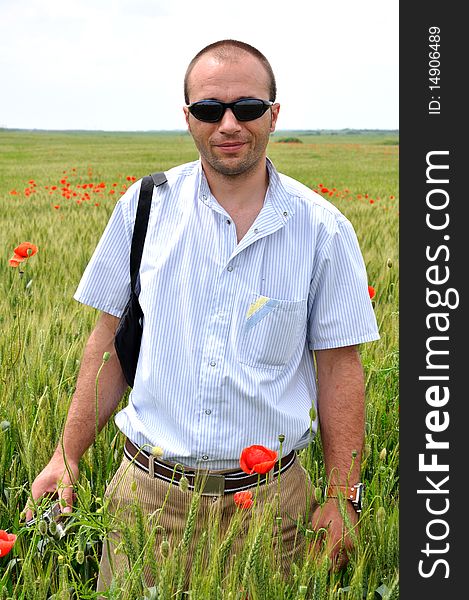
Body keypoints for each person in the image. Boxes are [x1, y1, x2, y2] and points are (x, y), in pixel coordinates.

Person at [25, 39, 379, 589]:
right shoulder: (143, 208)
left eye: (249, 107)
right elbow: (111, 344)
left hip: (272, 508)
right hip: (146, 498)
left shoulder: (323, 229)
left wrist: (342, 498)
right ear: (188, 117)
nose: (229, 123)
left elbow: (340, 368)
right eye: (210, 109)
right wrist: (66, 457)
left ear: (274, 115)